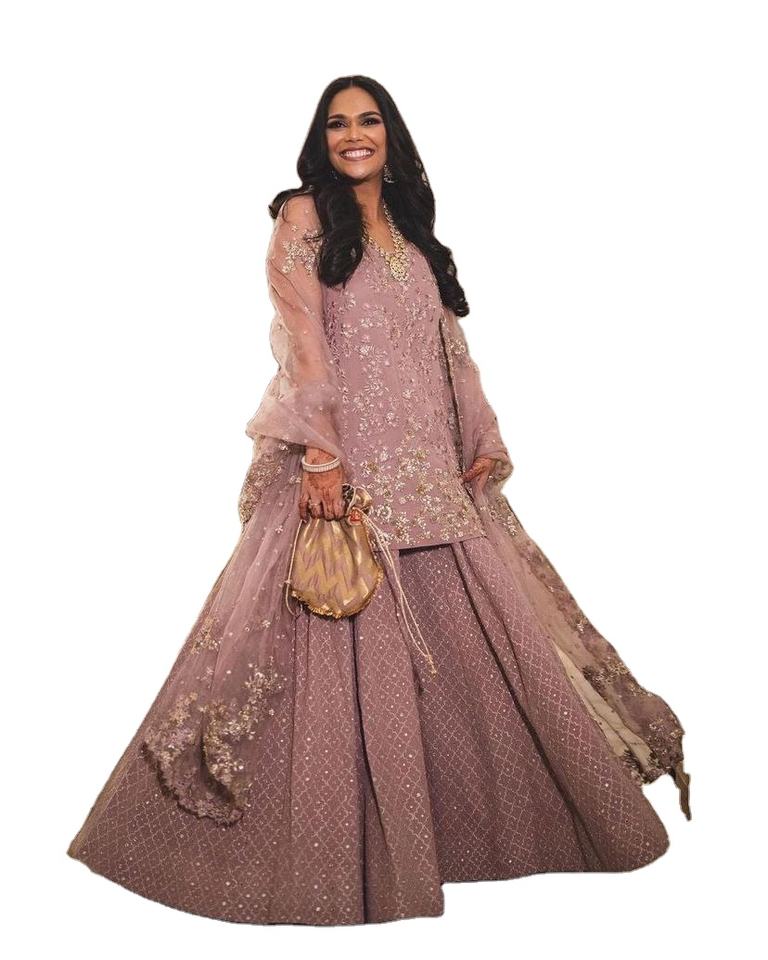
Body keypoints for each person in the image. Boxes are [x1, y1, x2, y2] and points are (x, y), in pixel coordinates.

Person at [67, 75, 690, 927]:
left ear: (391, 135)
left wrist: (481, 437)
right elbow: (304, 341)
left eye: (368, 121)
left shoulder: (411, 229)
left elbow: (447, 348)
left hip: (429, 471)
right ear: (320, 140)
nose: (353, 134)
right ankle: (325, 866)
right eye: (337, 123)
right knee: (325, 651)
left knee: (474, 658)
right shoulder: (304, 217)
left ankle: (475, 841)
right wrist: (322, 453)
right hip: (347, 474)